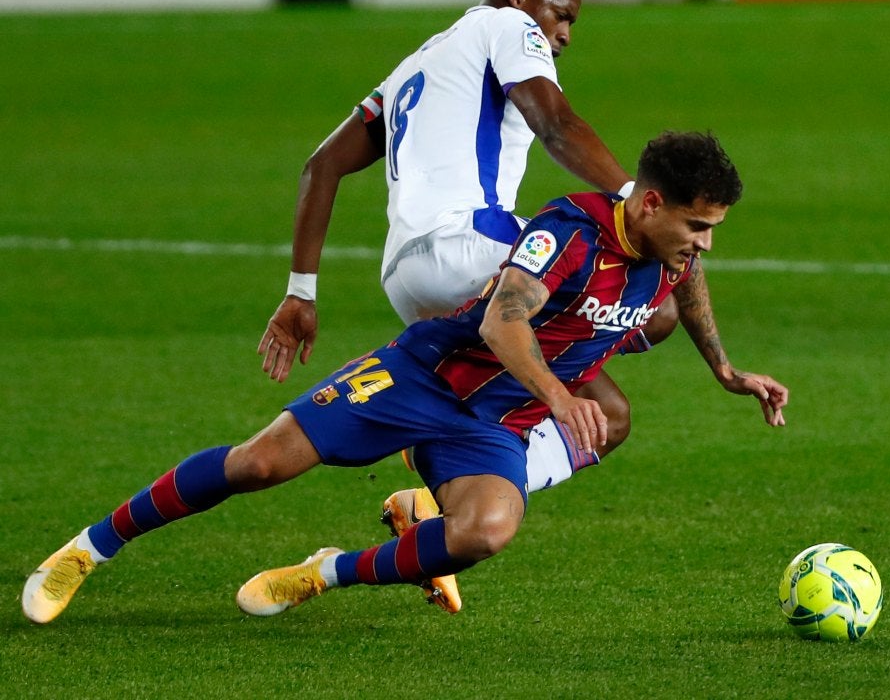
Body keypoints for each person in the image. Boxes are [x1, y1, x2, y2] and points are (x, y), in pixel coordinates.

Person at [23, 131, 788, 625]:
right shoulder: (571, 229)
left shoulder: (671, 254)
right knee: (257, 464)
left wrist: (724, 368)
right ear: (650, 203)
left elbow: (684, 284)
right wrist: (560, 396)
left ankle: (326, 572)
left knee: (485, 532)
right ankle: (90, 548)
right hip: (421, 377)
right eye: (697, 226)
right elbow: (501, 324)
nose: (704, 247)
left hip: (490, 426)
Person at [259, 0, 679, 609]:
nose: (564, 34)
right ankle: (431, 500)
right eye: (560, 15)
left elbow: (321, 166)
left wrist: (300, 292)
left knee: (476, 392)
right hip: (473, 251)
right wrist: (637, 202)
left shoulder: (418, 63)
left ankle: (434, 486)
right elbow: (557, 125)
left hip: (405, 276)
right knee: (643, 341)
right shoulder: (507, 27)